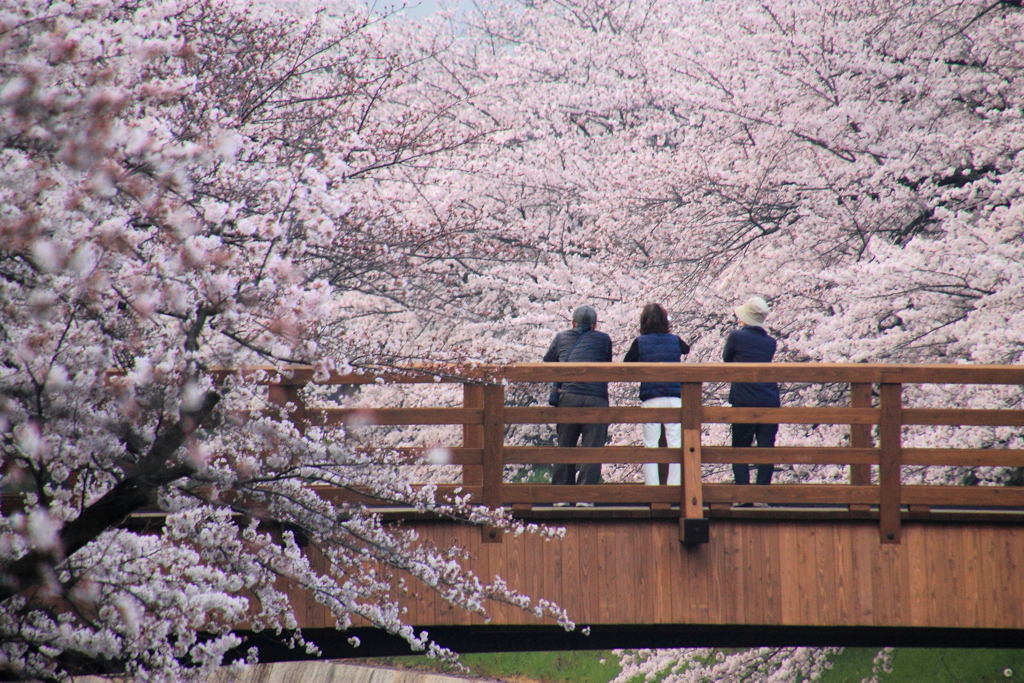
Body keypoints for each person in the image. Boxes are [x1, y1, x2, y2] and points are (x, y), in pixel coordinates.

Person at [542, 305, 613, 498]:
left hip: (568, 396)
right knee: (592, 449)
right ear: (595, 325)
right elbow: (606, 363)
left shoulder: (561, 337)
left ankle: (562, 497)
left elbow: (547, 362)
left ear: (573, 323)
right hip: (596, 397)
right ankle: (586, 497)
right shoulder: (604, 339)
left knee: (565, 445)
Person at [623, 303, 690, 485]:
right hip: (674, 396)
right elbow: (687, 349)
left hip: (651, 396)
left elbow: (626, 362)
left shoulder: (640, 342)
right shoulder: (675, 340)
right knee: (675, 442)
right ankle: (675, 485)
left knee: (651, 444)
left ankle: (652, 487)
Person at [723, 296, 780, 486]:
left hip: (743, 398)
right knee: (766, 449)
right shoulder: (770, 342)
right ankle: (762, 494)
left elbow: (727, 360)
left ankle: (742, 493)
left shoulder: (736, 336)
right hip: (769, 399)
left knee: (740, 447)